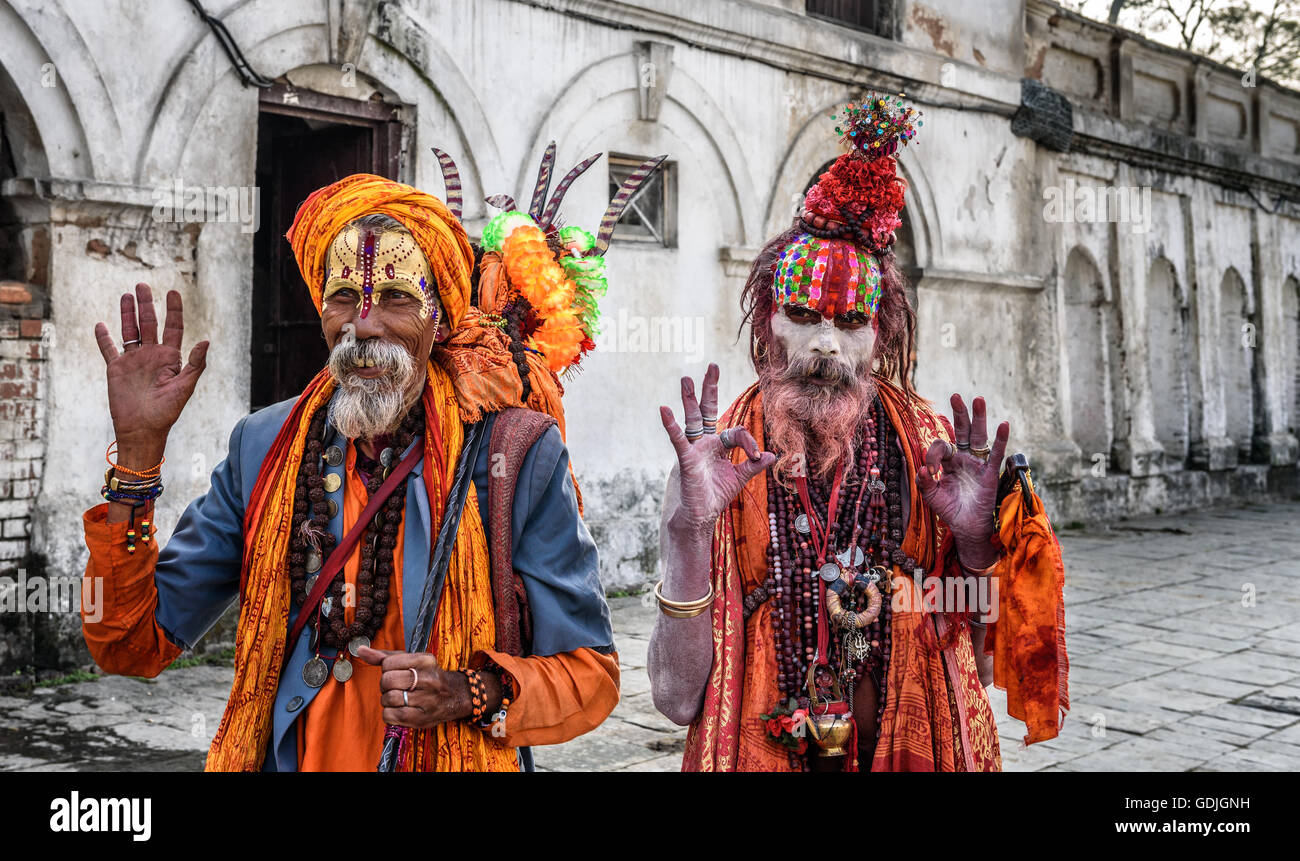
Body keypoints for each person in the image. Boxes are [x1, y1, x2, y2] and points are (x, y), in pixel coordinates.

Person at [81, 169, 619, 771]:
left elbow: (591, 677)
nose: (364, 325)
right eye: (343, 297)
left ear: (439, 318)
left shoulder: (514, 453)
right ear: (322, 312)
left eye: (397, 299)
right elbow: (128, 643)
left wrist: (468, 692)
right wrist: (137, 454)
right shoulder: (263, 446)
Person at [648, 95, 1068, 771]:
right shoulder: (719, 458)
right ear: (767, 324)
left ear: (880, 336)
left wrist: (975, 542)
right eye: (802, 313)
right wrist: (687, 535)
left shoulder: (931, 450)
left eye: (849, 323)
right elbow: (674, 698)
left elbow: (987, 662)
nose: (824, 345)